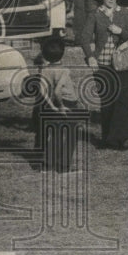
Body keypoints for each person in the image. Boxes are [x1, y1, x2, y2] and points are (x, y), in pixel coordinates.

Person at [81, 0, 128, 150]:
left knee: (122, 100)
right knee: (107, 100)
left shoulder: (125, 13)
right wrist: (90, 57)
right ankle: (109, 138)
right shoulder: (95, 14)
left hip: (123, 63)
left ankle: (125, 137)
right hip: (103, 64)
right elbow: (84, 38)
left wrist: (121, 32)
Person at [32, 34, 80, 172]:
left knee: (56, 134)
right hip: (68, 104)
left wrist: (52, 106)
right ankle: (64, 167)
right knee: (71, 134)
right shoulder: (64, 70)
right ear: (62, 54)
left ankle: (47, 165)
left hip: (51, 105)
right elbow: (58, 90)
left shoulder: (45, 70)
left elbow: (42, 90)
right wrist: (61, 107)